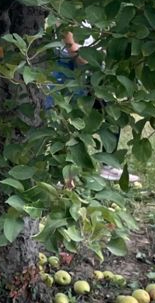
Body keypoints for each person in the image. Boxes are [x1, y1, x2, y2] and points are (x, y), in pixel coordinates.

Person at [46, 30, 141, 186]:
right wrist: (100, 65)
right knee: (69, 124)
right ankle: (63, 177)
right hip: (70, 76)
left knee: (112, 111)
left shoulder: (90, 18)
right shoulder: (66, 15)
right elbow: (72, 48)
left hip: (88, 76)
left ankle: (107, 166)